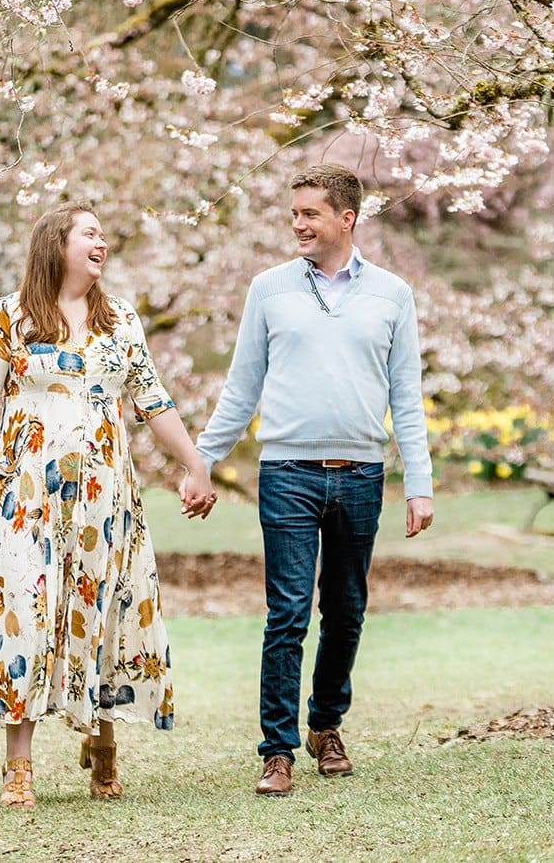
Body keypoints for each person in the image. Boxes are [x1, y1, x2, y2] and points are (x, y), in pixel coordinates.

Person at [0, 202, 216, 808]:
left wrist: (194, 464)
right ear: (56, 244)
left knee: (103, 609)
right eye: (89, 233)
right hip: (27, 494)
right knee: (26, 608)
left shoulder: (120, 321)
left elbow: (154, 402)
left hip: (104, 499)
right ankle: (18, 766)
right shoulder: (9, 317)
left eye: (104, 234)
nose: (102, 242)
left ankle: (103, 747)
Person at [187, 164, 434, 796]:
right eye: (294, 213)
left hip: (360, 475)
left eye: (310, 214)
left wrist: (419, 484)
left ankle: (327, 725)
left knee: (347, 609)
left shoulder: (392, 295)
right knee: (288, 612)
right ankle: (278, 750)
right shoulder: (270, 289)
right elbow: (242, 388)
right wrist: (201, 460)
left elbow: (406, 396)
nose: (298, 223)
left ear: (346, 219)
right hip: (286, 473)